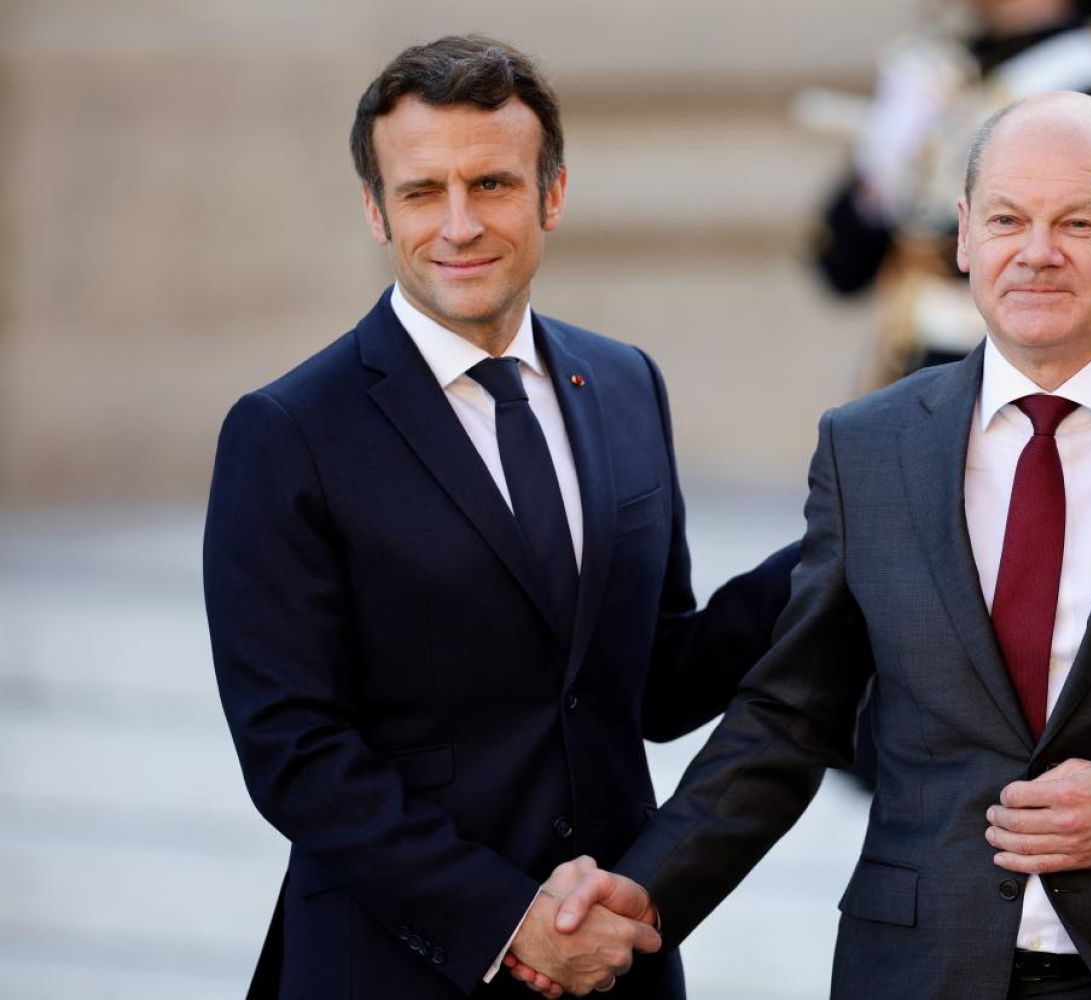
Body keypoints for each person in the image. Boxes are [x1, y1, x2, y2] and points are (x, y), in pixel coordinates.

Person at [533, 92, 1091, 998]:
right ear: (963, 237)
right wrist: (645, 890)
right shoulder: (868, 447)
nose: (1036, 251)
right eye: (1006, 220)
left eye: (1076, 223)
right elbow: (790, 717)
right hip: (918, 966)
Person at [203, 35, 797, 1000]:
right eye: (421, 192)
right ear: (375, 209)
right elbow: (295, 753)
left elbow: (654, 680)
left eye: (491, 184)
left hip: (615, 963)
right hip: (396, 968)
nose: (460, 224)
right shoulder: (287, 432)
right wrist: (509, 922)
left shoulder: (625, 382)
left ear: (551, 194)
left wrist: (837, 544)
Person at [813, 0, 1091, 388]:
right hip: (923, 379)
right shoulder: (947, 67)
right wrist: (883, 172)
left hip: (1039, 393)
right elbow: (842, 268)